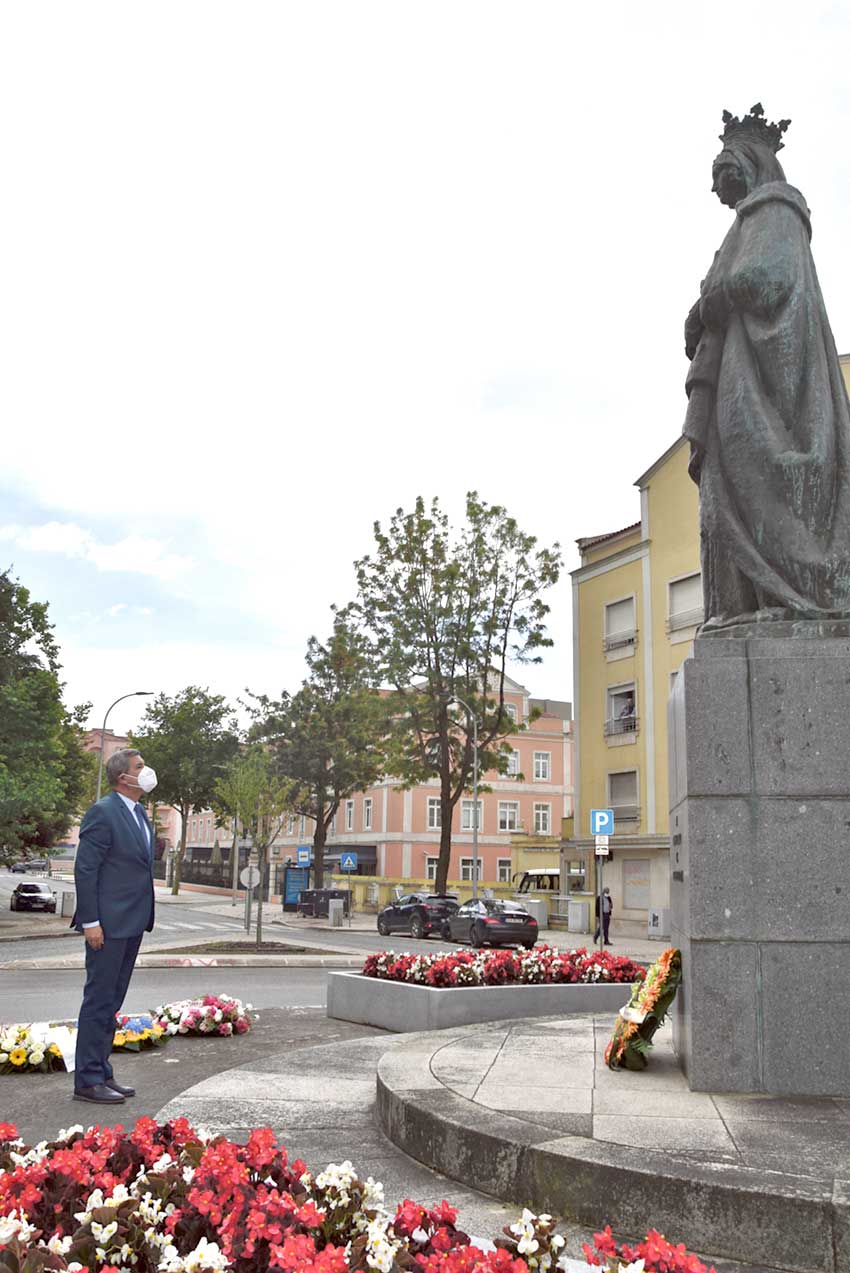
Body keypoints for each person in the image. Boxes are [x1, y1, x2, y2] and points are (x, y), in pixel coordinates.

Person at [684, 104, 850, 627]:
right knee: (720, 488)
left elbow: (765, 281)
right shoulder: (743, 225)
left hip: (763, 391)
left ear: (748, 162)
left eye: (720, 172)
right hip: (740, 375)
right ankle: (736, 604)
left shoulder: (777, 213)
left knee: (746, 479)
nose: (715, 189)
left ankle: (780, 591)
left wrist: (710, 301)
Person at [71, 748, 157, 1104]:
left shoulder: (139, 814)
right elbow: (85, 869)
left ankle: (102, 1071)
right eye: (140, 767)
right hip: (106, 925)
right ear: (124, 777)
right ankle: (87, 1081)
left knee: (112, 1002)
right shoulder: (103, 812)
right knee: (99, 1000)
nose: (147, 771)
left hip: (132, 922)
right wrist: (91, 922)